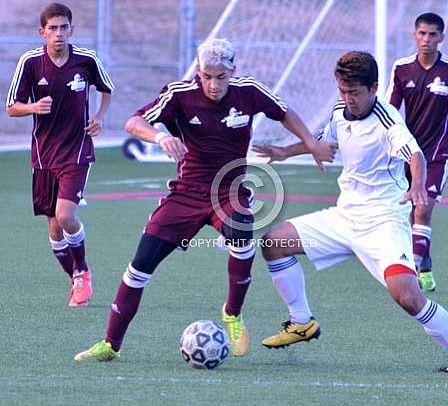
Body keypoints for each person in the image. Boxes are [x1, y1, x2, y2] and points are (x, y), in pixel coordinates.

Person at [74, 38, 334, 362]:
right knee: (140, 266)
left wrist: (310, 142)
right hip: (186, 193)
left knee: (242, 235)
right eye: (206, 76)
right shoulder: (179, 94)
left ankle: (233, 314)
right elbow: (133, 122)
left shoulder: (249, 91)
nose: (212, 84)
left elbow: (284, 112)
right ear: (198, 71)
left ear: (232, 71)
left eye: (220, 77)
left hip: (230, 191)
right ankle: (110, 344)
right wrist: (161, 136)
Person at [253, 51, 448, 373]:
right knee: (273, 242)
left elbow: (414, 154)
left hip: (383, 220)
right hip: (345, 216)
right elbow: (321, 142)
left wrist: (417, 185)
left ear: (374, 88)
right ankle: (302, 322)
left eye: (355, 93)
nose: (349, 99)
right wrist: (283, 152)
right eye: (343, 92)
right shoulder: (338, 112)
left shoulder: (387, 118)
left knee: (407, 296)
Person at [5, 3, 114, 307]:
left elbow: (107, 89)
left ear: (71, 29)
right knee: (53, 227)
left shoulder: (86, 59)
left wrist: (100, 117)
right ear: (42, 32)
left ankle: (82, 274)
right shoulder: (30, 63)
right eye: (52, 28)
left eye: (63, 27)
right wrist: (32, 107)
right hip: (43, 155)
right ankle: (74, 278)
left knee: (66, 215)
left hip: (77, 151)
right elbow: (11, 106)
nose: (58, 33)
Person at [385, 12, 448, 292]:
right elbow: (389, 112)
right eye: (422, 33)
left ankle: (411, 271)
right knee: (411, 215)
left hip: (438, 155)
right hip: (406, 155)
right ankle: (425, 267)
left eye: (432, 34)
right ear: (414, 35)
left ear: (442, 38)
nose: (426, 39)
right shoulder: (401, 69)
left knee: (423, 211)